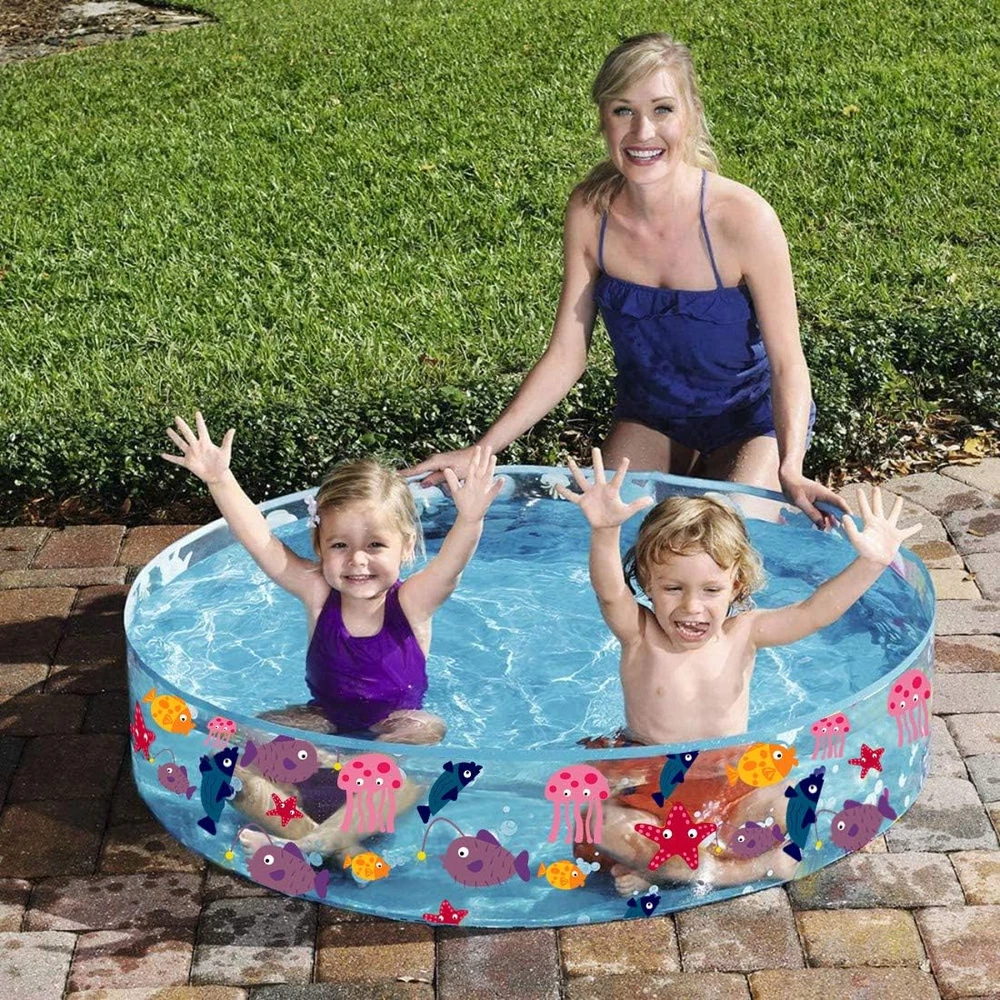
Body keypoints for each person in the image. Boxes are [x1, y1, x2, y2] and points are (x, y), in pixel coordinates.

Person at [404, 32, 849, 528]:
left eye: (662, 109)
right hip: (653, 417)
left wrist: (791, 465)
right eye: (623, 111)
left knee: (723, 539)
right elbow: (567, 355)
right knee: (603, 529)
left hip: (750, 422)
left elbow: (788, 362)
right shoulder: (591, 213)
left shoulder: (743, 219)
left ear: (691, 114)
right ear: (603, 119)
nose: (642, 131)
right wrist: (482, 450)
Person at [558, 447, 921, 892]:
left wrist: (871, 563)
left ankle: (673, 869)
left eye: (711, 590)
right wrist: (605, 530)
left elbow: (813, 612)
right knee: (599, 824)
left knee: (798, 800)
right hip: (653, 785)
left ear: (737, 584)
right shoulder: (640, 634)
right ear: (647, 583)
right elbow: (610, 592)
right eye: (673, 588)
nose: (691, 606)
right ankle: (737, 868)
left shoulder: (744, 633)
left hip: (729, 781)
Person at [161, 414, 502, 859]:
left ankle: (313, 842)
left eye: (375, 545)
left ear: (406, 546)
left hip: (394, 725)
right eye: (340, 545)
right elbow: (261, 541)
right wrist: (220, 479)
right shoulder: (318, 592)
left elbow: (450, 567)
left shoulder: (413, 601)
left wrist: (471, 519)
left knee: (418, 746)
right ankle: (318, 839)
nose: (357, 560)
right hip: (321, 718)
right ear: (320, 547)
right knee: (225, 757)